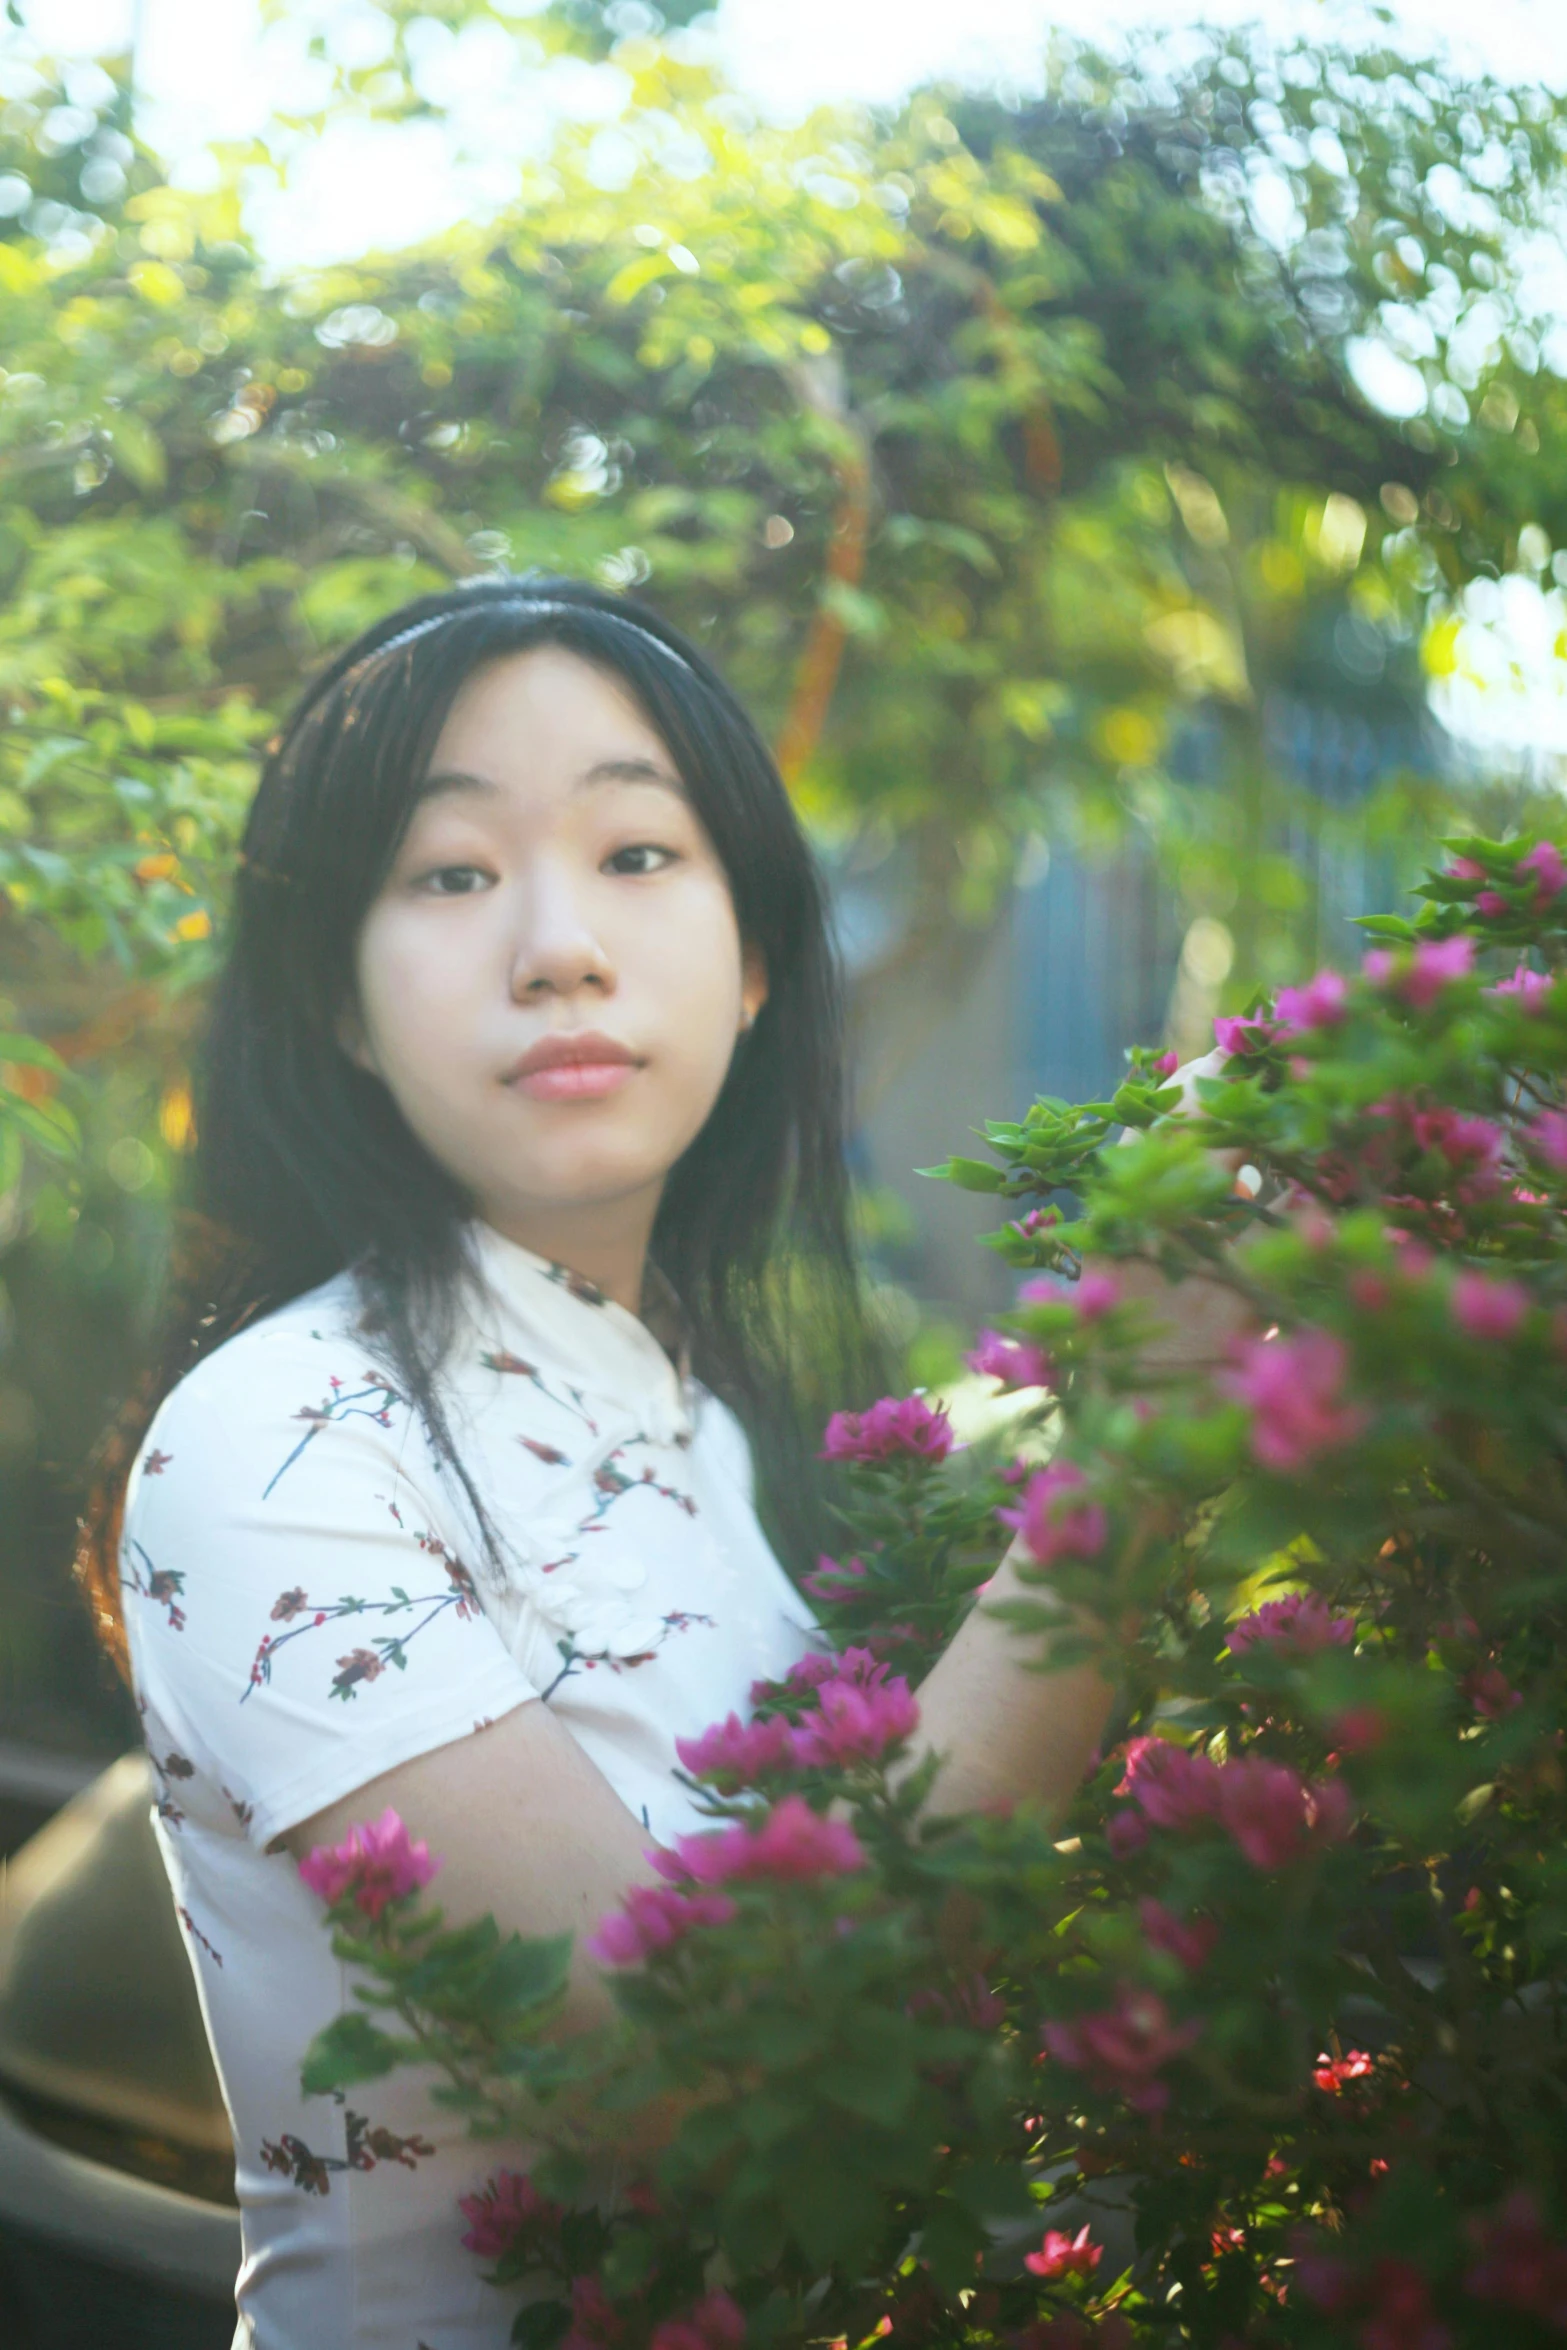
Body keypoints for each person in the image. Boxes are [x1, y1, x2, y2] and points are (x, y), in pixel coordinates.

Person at [76, 576, 1117, 2350]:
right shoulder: (285, 1434)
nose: (556, 941)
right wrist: (1144, 1487)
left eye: (638, 851)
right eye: (451, 873)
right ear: (338, 997)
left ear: (758, 951)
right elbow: (682, 2084)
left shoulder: (686, 1412)